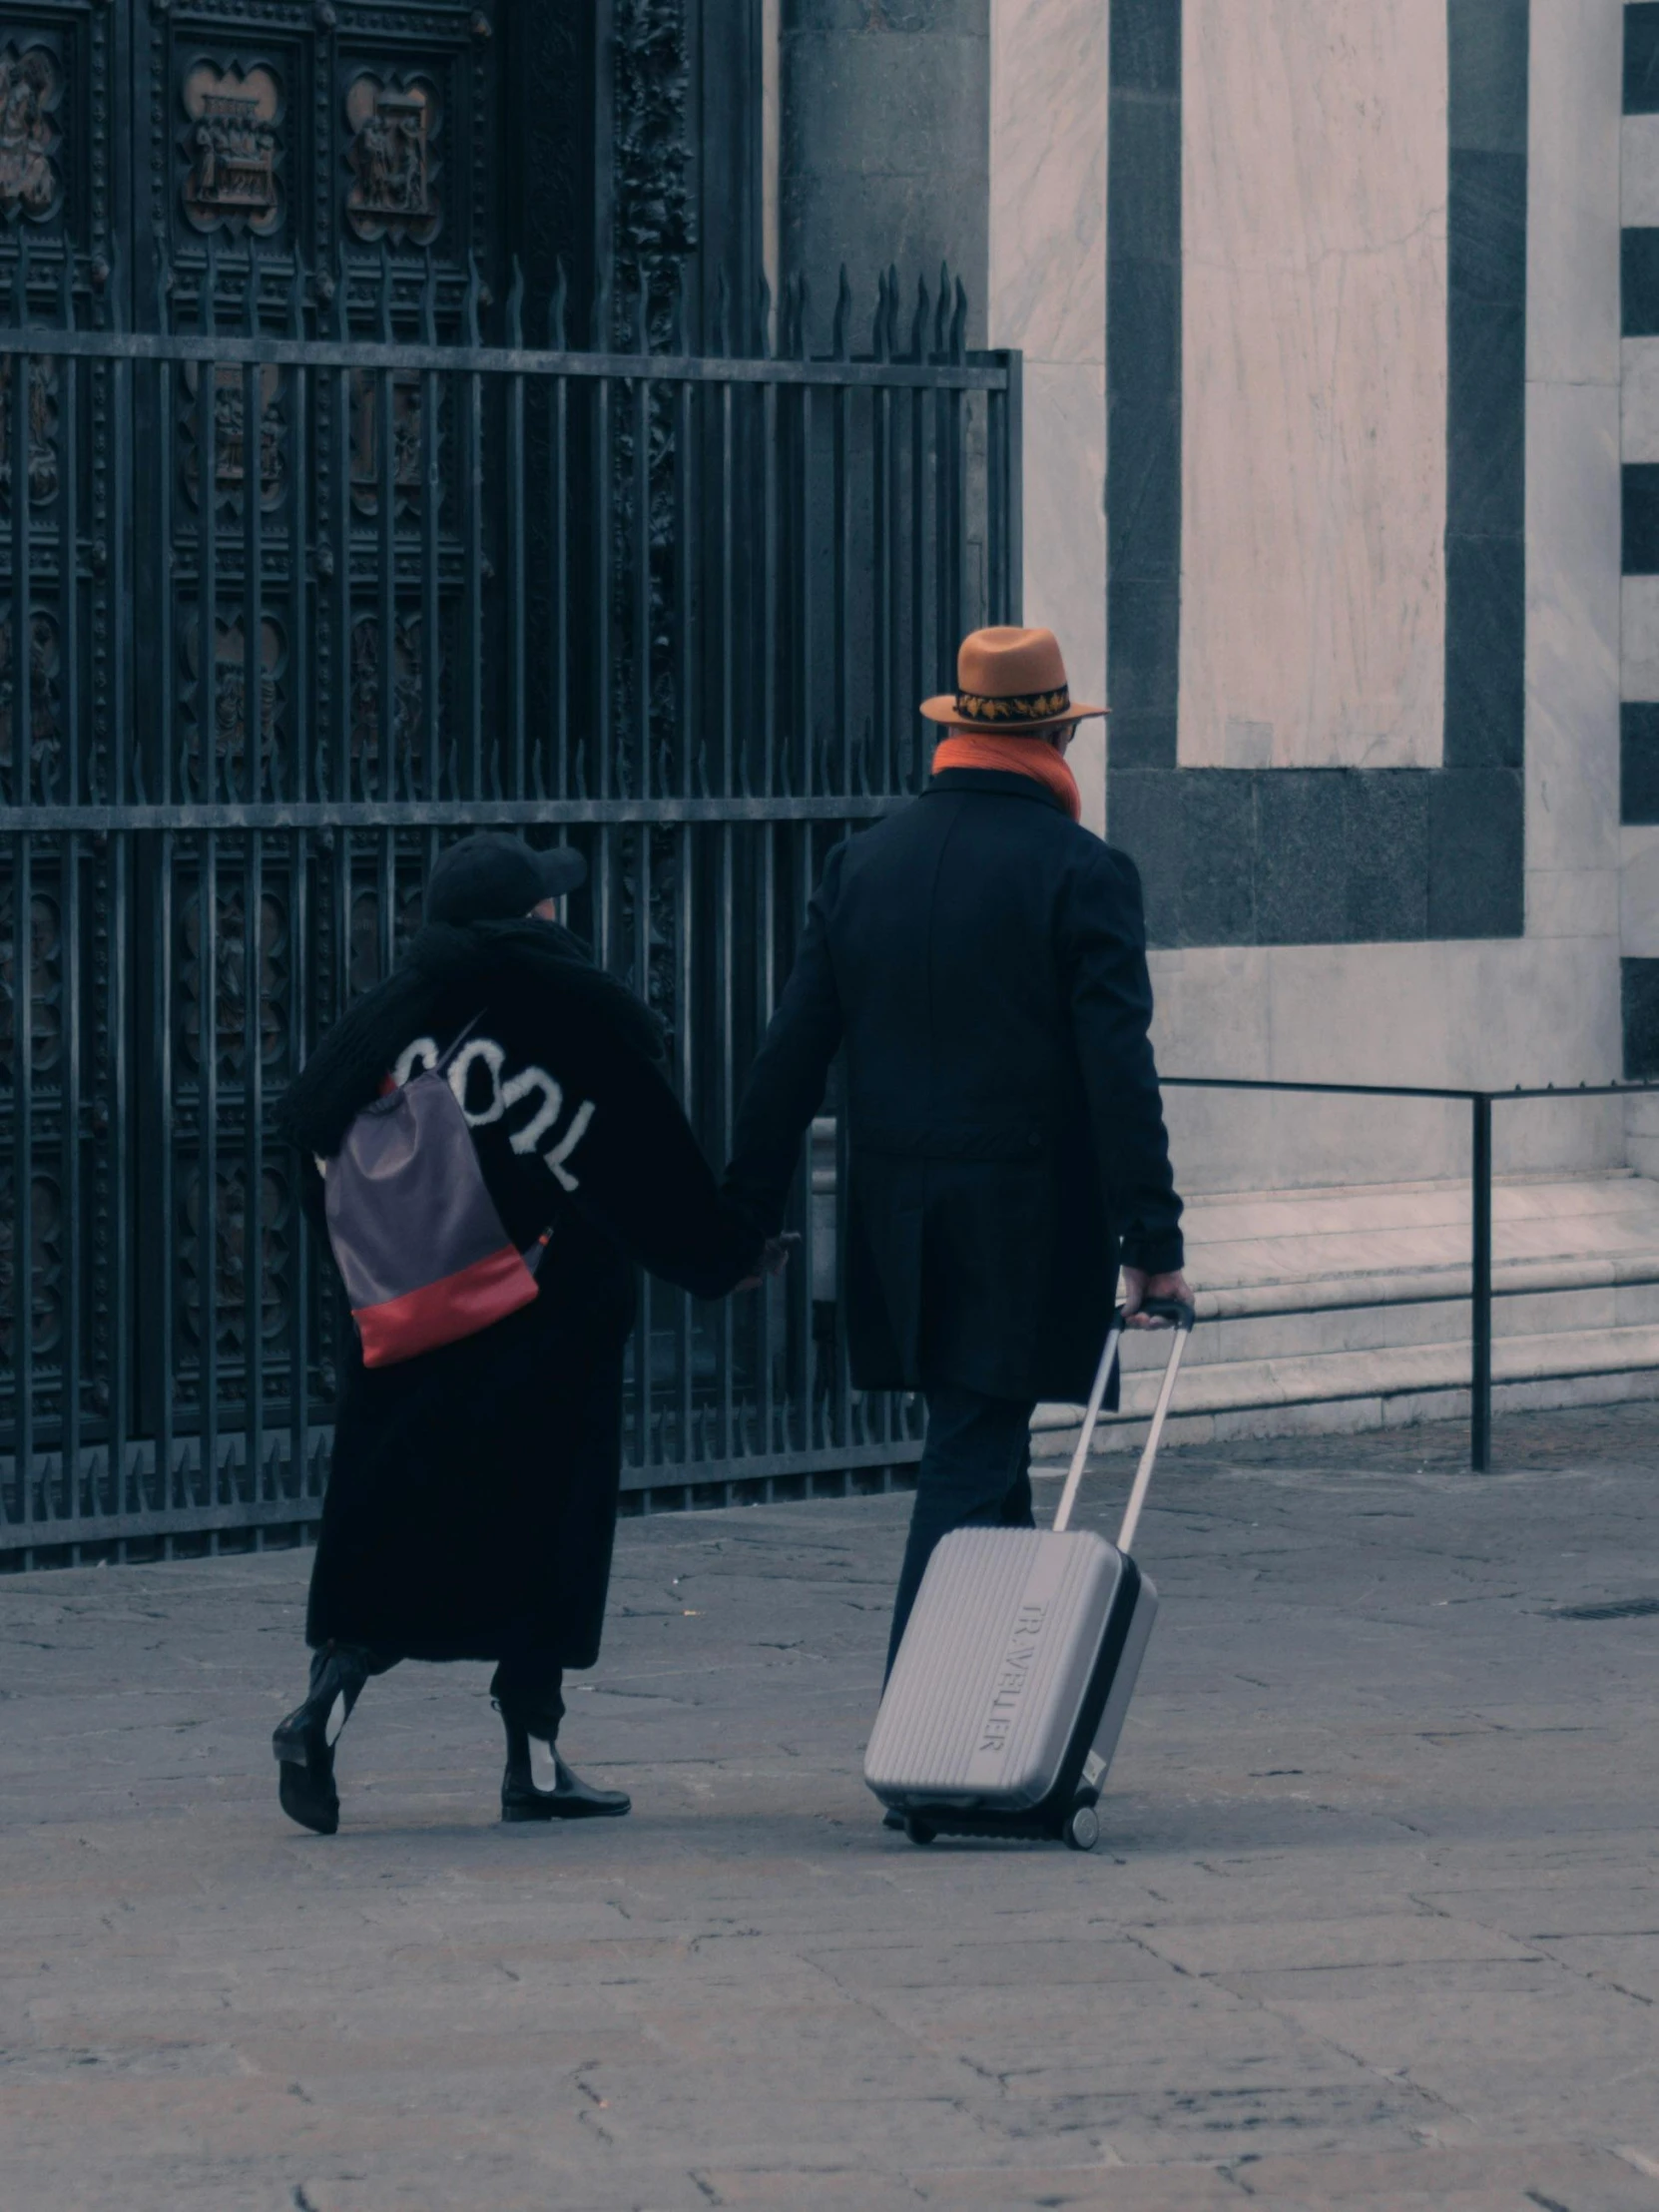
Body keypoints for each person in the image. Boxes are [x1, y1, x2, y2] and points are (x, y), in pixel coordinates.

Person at [723, 626, 1190, 1807]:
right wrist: (1155, 1246)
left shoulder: (863, 863)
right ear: (1049, 734)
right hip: (1025, 1224)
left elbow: (788, 1058)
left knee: (989, 1456)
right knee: (970, 1449)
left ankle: (1002, 1723)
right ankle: (918, 1740)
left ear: (955, 730)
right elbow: (1116, 1071)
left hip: (899, 1221)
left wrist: (742, 1210)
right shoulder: (1083, 872)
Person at [273, 833, 769, 1836]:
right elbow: (648, 1163)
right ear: (529, 916)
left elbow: (303, 1129)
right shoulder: (581, 1013)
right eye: (548, 899)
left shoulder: (393, 1011)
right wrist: (727, 1255)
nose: (559, 911)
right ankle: (533, 1760)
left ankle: (326, 1703)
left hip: (413, 1318)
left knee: (391, 1518)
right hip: (551, 1320)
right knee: (552, 1525)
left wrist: (379, 1253)